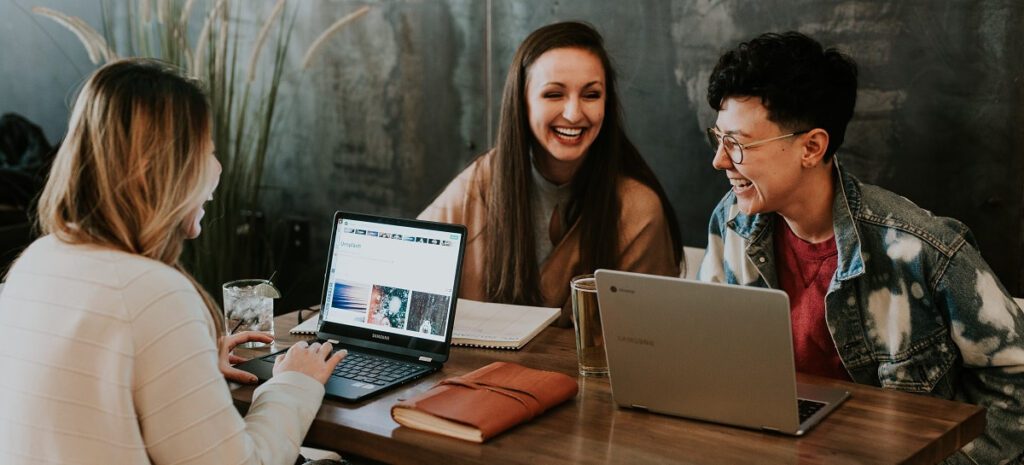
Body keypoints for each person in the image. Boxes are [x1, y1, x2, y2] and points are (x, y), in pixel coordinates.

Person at [697, 32, 1024, 464]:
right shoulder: (732, 222)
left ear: (811, 147)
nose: (720, 160)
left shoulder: (920, 248)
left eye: (738, 144)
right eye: (718, 138)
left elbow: (1016, 384)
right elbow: (707, 353)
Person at [0, 59, 347, 465]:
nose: (217, 169)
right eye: (208, 151)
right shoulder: (153, 293)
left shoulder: (35, 261)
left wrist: (188, 363)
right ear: (160, 168)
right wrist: (293, 383)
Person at [419, 21, 682, 325]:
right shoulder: (480, 182)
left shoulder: (638, 209)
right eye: (554, 94)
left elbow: (649, 334)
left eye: (591, 95)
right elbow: (406, 267)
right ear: (522, 102)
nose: (573, 113)